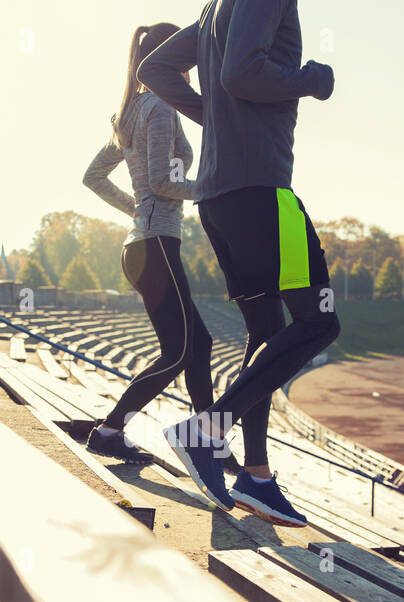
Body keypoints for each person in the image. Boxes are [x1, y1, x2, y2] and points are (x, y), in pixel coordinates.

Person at [139, 0, 338, 527]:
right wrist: (313, 79)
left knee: (266, 330)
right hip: (261, 191)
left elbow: (152, 68)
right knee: (320, 321)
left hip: (219, 198)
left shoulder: (213, 9)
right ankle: (205, 431)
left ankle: (256, 476)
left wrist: (214, 115)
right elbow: (242, 74)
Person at [81, 22, 238, 472]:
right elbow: (163, 182)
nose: (191, 69)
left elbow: (92, 177)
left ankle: (212, 440)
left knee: (200, 344)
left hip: (144, 245)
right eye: (187, 60)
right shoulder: (160, 108)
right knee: (180, 351)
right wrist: (209, 187)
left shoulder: (128, 111)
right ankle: (110, 431)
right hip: (154, 246)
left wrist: (136, 209)